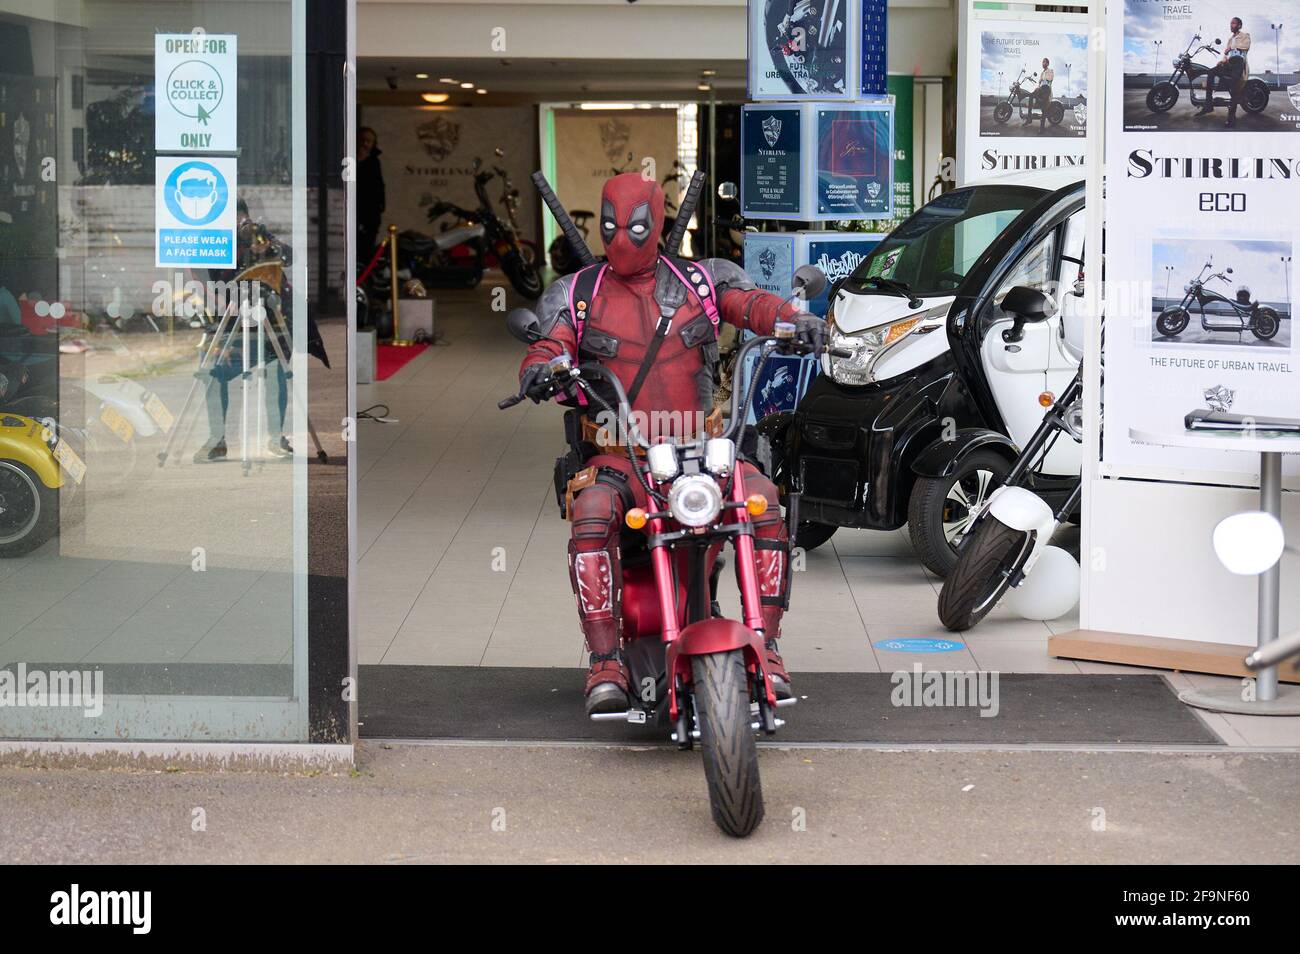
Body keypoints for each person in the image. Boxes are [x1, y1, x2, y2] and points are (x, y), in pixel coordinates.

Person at [516, 172, 828, 715]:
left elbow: (750, 304)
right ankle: (605, 661)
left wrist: (792, 319)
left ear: (657, 222)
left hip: (703, 453)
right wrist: (542, 368)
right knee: (591, 512)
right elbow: (550, 340)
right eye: (611, 224)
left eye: (634, 225)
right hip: (620, 456)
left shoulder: (703, 282)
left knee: (765, 505)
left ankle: (768, 644)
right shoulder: (579, 294)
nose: (621, 236)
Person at [1198, 18, 1250, 127]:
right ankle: (1208, 104)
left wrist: (1231, 48)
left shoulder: (1245, 35)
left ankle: (1231, 118)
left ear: (1239, 25)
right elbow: (1226, 55)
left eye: (1234, 23)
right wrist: (1221, 61)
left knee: (1234, 87)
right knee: (1211, 72)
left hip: (1238, 63)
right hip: (1229, 63)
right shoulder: (1230, 39)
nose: (1231, 25)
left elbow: (1246, 46)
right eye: (1231, 23)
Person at [356, 126, 385, 259]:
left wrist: (380, 206)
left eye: (369, 141)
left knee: (366, 247)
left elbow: (378, 186)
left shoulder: (374, 162)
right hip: (353, 209)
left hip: (370, 213)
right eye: (363, 140)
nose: (365, 144)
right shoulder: (349, 160)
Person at [1026, 58, 1053, 130]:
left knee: (1044, 107)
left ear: (1047, 63)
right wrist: (1037, 87)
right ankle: (1029, 117)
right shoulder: (1041, 73)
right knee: (1031, 95)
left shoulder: (1050, 71)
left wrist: (1042, 80)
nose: (1043, 63)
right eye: (1042, 62)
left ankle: (1042, 128)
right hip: (1040, 89)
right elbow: (1039, 83)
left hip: (1046, 89)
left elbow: (1050, 79)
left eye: (1044, 62)